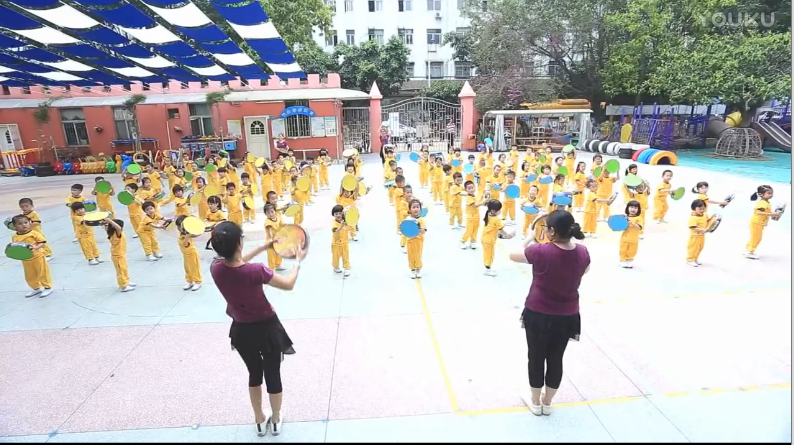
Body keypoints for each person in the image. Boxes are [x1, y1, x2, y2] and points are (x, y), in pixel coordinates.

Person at [209, 221, 305, 437]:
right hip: (267, 329)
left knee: (254, 372)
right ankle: (276, 417)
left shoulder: (215, 268)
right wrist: (297, 263)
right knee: (273, 373)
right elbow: (288, 284)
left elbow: (237, 263)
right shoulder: (257, 271)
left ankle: (259, 419)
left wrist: (264, 246)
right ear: (239, 243)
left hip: (241, 329)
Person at [508, 210, 589, 416]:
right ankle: (548, 401)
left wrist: (528, 237)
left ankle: (535, 402)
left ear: (551, 231)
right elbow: (585, 269)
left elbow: (513, 254)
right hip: (567, 316)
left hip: (538, 313)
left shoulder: (540, 251)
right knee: (556, 358)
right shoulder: (582, 252)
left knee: (535, 357)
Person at [10, 214, 53, 298]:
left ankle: (48, 287)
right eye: (20, 224)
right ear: (14, 226)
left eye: (26, 222)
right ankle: (36, 288)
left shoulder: (34, 233)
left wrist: (36, 247)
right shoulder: (15, 236)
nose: (24, 225)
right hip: (25, 259)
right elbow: (15, 247)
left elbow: (42, 242)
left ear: (29, 223)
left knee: (42, 272)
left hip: (38, 257)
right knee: (30, 275)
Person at [746, 185, 781, 259]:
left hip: (759, 222)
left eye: (772, 193)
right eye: (769, 193)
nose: (771, 195)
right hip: (757, 222)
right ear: (761, 194)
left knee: (755, 237)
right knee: (757, 238)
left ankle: (748, 249)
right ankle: (750, 251)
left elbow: (765, 211)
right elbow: (759, 212)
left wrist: (773, 213)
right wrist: (773, 214)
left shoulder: (766, 202)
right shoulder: (763, 203)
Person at [104, 218, 136, 292]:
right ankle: (123, 285)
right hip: (117, 256)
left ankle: (126, 281)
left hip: (121, 254)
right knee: (120, 271)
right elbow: (118, 227)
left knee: (124, 269)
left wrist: (106, 222)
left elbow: (106, 227)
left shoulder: (111, 232)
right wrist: (109, 221)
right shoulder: (117, 233)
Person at [174, 215, 202, 291]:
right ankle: (189, 281)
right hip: (185, 255)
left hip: (192, 254)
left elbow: (185, 244)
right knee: (187, 269)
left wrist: (188, 236)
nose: (178, 228)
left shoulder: (187, 235)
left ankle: (197, 281)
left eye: (179, 226)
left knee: (194, 268)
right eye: (177, 227)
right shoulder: (182, 234)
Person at [619, 200, 643, 268]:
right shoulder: (625, 217)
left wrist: (632, 224)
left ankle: (629, 260)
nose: (633, 209)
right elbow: (620, 227)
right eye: (631, 207)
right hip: (625, 238)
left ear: (638, 209)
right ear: (627, 208)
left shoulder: (639, 218)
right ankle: (622, 260)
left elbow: (639, 227)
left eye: (635, 208)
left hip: (634, 239)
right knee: (623, 250)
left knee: (632, 251)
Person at [331, 205, 351, 277]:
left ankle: (347, 268)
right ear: (333, 215)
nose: (338, 215)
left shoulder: (345, 221)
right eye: (336, 214)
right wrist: (341, 226)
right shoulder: (334, 223)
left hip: (345, 243)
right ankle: (336, 267)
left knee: (346, 256)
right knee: (336, 257)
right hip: (336, 244)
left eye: (340, 213)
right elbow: (335, 231)